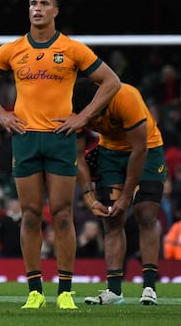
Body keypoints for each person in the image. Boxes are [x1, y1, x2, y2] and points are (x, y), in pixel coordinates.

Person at [0, 0, 121, 310]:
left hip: (60, 138)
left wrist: (82, 117)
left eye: (45, 3)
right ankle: (34, 291)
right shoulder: (13, 49)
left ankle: (65, 291)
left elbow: (111, 81)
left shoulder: (71, 49)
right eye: (33, 3)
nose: (38, 8)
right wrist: (1, 114)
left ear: (56, 11)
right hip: (26, 137)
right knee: (30, 215)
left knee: (61, 214)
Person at [73, 78, 166, 305]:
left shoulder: (126, 97)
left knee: (145, 213)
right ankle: (114, 291)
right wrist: (89, 197)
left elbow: (139, 149)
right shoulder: (73, 107)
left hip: (148, 149)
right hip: (110, 152)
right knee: (111, 219)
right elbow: (76, 156)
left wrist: (126, 196)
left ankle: (149, 287)